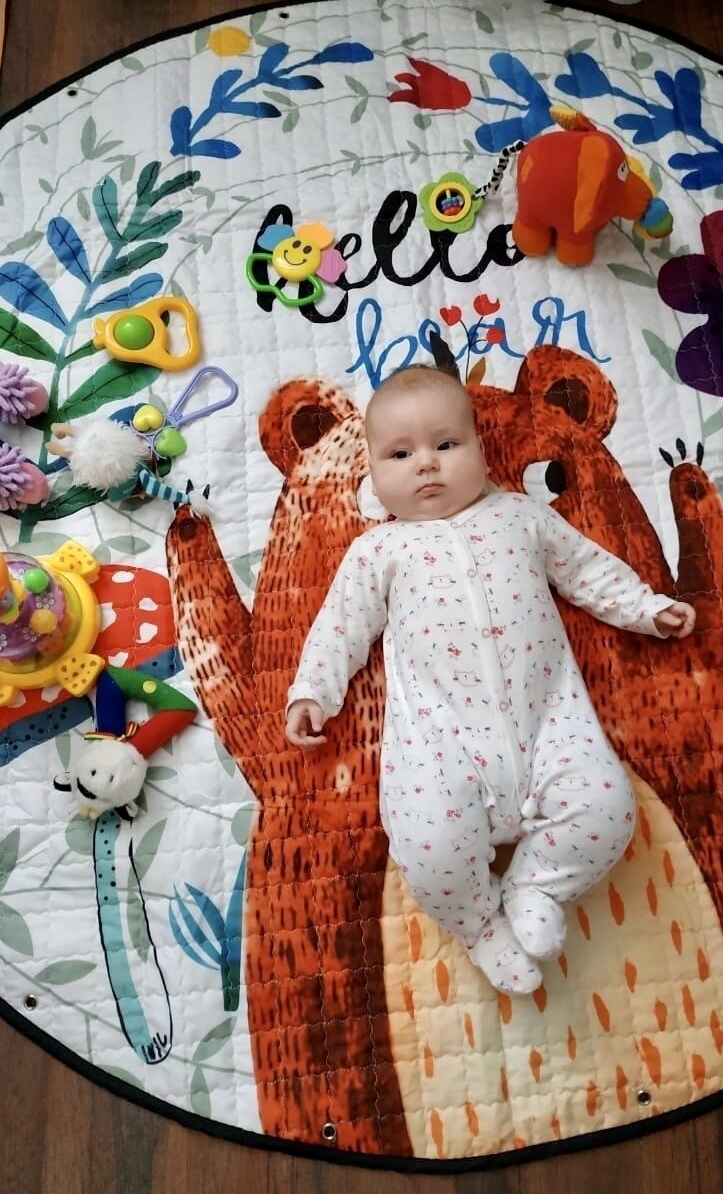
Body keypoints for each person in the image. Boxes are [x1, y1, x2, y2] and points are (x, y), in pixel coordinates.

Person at [285, 365, 695, 994]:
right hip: (441, 742)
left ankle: (536, 886)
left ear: (480, 448)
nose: (427, 464)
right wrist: (313, 691)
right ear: (372, 473)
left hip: (550, 725)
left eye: (446, 444)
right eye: (401, 454)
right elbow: (339, 627)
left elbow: (586, 569)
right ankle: (478, 927)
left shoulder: (521, 517)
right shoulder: (378, 551)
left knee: (608, 810)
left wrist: (645, 608)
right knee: (429, 847)